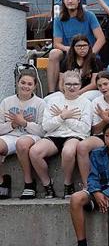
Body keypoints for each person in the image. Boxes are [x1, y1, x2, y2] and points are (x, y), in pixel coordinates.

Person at [30, 71, 93, 200]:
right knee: (34, 152)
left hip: (75, 135)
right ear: (62, 85)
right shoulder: (53, 100)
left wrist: (66, 118)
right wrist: (62, 116)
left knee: (68, 151)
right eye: (68, 84)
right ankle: (47, 183)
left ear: (80, 85)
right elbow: (46, 126)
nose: (72, 87)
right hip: (54, 134)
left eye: (75, 84)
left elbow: (85, 129)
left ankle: (68, 183)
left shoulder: (86, 102)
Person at [48, 0, 105, 93]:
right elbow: (57, 43)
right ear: (63, 1)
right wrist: (70, 49)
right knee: (54, 53)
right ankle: (51, 92)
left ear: (79, 0)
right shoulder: (58, 20)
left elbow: (101, 39)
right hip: (69, 55)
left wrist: (90, 54)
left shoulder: (89, 16)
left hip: (88, 53)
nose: (70, 1)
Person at [1, 73, 46, 199]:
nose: (25, 86)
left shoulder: (40, 103)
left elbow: (43, 131)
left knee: (22, 144)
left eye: (29, 84)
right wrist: (13, 125)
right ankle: (2, 182)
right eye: (23, 82)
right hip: (10, 135)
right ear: (17, 83)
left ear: (35, 86)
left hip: (31, 135)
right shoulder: (6, 102)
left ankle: (29, 183)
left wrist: (25, 123)